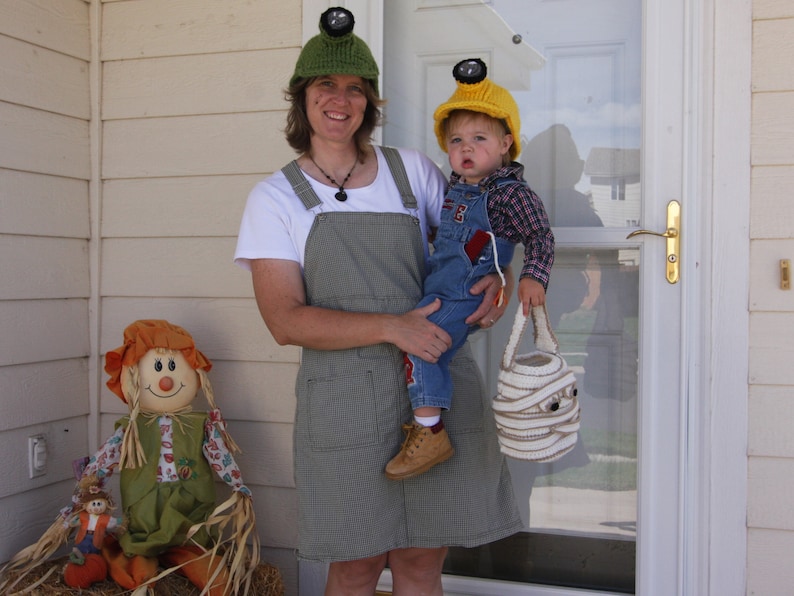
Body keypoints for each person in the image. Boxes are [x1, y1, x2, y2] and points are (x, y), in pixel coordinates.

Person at [234, 7, 522, 595]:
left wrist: (499, 274)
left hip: (431, 390)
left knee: (420, 562)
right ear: (302, 98)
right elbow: (284, 320)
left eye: (355, 88)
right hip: (345, 405)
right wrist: (395, 328)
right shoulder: (275, 199)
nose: (341, 99)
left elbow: (471, 242)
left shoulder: (412, 171)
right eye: (326, 85)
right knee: (357, 565)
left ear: (369, 101)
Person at [384, 58, 555, 481]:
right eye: (456, 138)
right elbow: (449, 238)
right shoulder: (456, 188)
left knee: (421, 346)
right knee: (428, 349)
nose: (465, 147)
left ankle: (430, 432)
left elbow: (540, 236)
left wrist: (531, 275)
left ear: (505, 144)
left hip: (462, 294)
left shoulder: (509, 194)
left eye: (479, 138)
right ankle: (429, 422)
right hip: (440, 287)